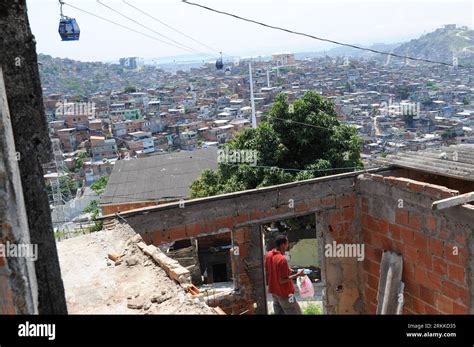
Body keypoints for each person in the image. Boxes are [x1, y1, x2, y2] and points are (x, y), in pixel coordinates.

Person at [265, 234, 305, 314]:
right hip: (285, 294)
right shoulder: (282, 259)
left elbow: (269, 270)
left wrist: (287, 269)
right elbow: (282, 280)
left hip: (274, 292)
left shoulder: (268, 255)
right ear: (283, 245)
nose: (288, 245)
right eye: (287, 243)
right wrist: (298, 275)